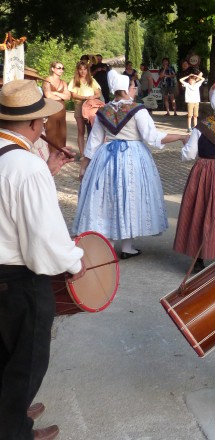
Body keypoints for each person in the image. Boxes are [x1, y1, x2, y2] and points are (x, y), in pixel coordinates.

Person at [0, 79, 85, 440]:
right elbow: (46, 241)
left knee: (4, 354)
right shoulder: (26, 166)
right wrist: (78, 263)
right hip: (21, 280)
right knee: (27, 361)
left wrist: (47, 169)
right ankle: (14, 429)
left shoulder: (19, 159)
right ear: (36, 124)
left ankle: (10, 408)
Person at [73, 71, 188, 258]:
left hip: (106, 159)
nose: (135, 89)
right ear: (126, 89)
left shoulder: (104, 111)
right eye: (134, 87)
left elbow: (94, 141)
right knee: (131, 197)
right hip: (133, 158)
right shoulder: (138, 110)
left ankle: (108, 246)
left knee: (108, 198)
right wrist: (181, 136)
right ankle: (127, 247)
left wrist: (84, 165)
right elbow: (152, 137)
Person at [173, 87, 215, 273]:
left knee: (201, 213)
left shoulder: (201, 126)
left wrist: (184, 145)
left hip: (203, 173)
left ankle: (198, 258)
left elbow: (189, 154)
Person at [67, 61, 102, 157]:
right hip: (79, 105)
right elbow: (73, 94)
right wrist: (85, 98)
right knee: (81, 131)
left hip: (90, 106)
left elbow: (98, 93)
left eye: (85, 69)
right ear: (78, 70)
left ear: (87, 70)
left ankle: (92, 153)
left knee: (92, 130)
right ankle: (83, 154)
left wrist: (92, 98)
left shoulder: (92, 80)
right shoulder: (74, 80)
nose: (83, 71)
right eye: (80, 69)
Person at [41, 61, 70, 148]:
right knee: (51, 134)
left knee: (61, 133)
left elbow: (68, 97)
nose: (61, 70)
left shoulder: (63, 82)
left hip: (61, 111)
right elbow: (48, 95)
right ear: (53, 69)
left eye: (62, 68)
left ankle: (61, 155)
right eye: (59, 68)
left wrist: (56, 93)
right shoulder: (47, 80)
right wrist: (62, 96)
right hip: (51, 110)